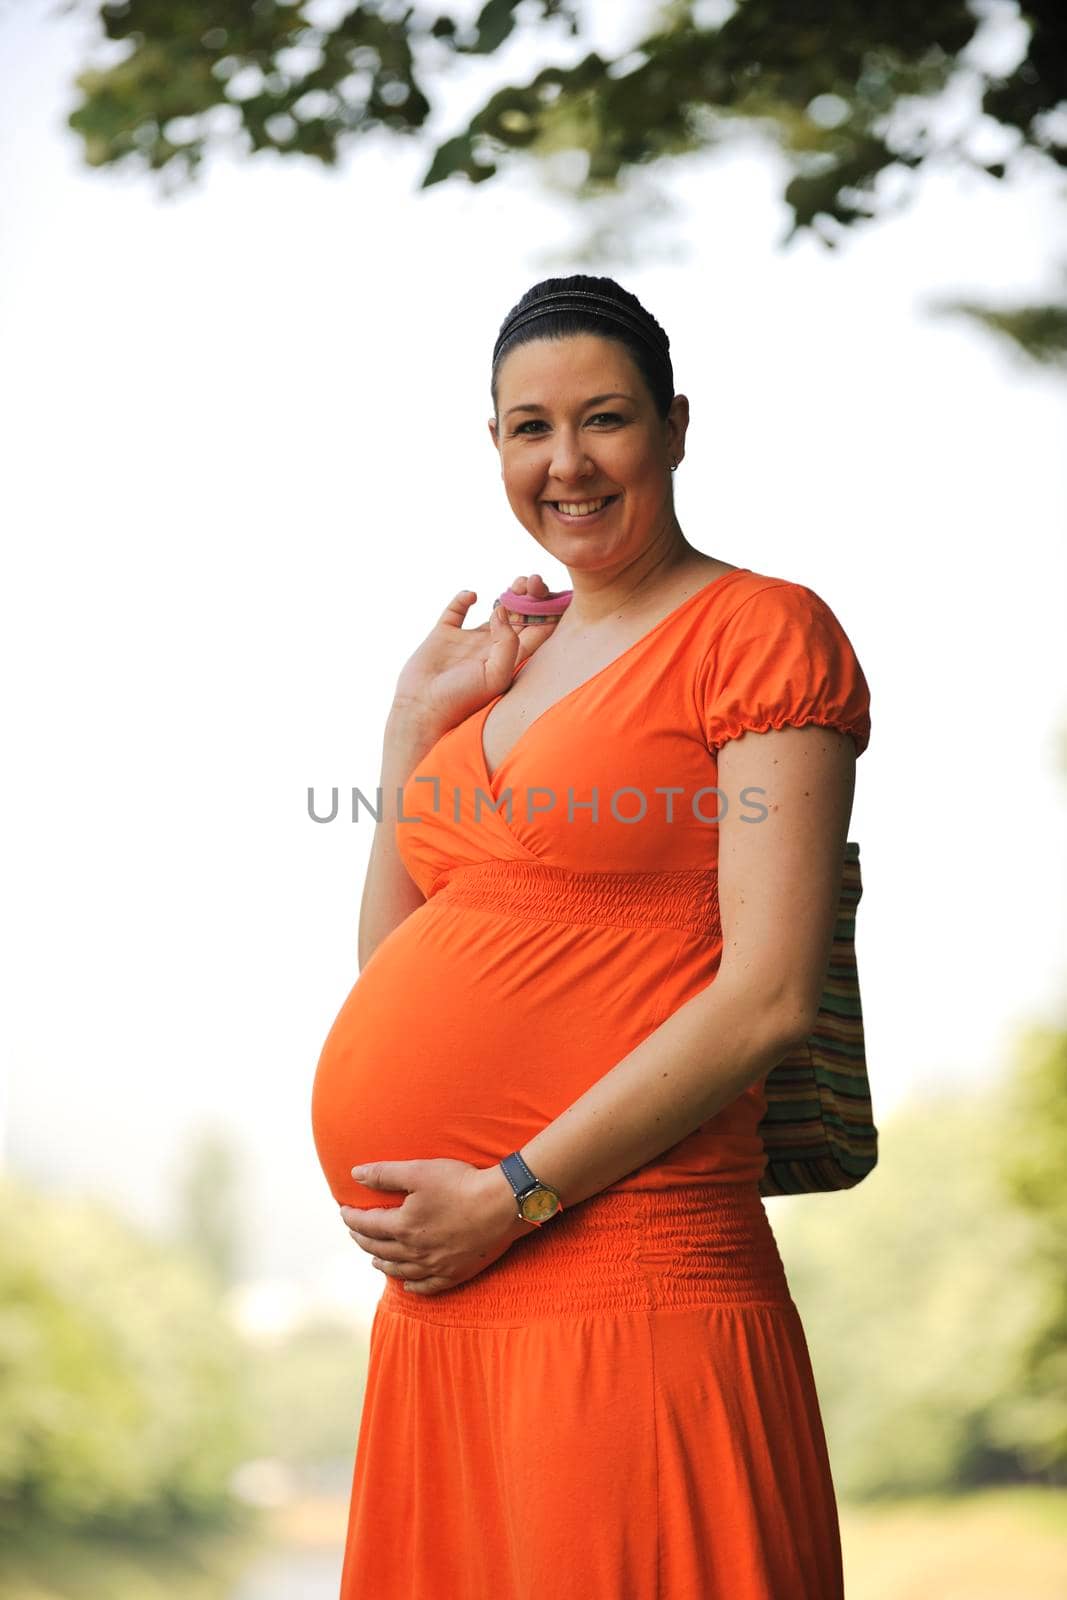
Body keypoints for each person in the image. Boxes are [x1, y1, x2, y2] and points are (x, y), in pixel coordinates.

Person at [310, 273, 872, 1599]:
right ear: (494, 445)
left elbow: (772, 994)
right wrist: (407, 729)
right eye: (528, 427)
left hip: (623, 1274)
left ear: (675, 427)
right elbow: (394, 970)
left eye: (605, 418)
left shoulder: (762, 633)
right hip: (445, 1301)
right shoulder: (502, 661)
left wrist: (511, 1196)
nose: (566, 461)